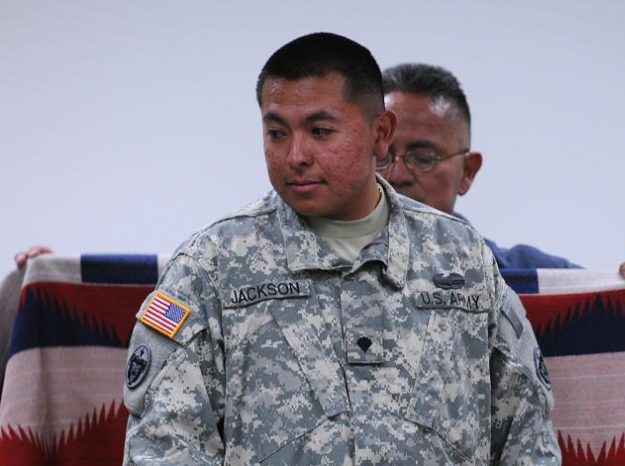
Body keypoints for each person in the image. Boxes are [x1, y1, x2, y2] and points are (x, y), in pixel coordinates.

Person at [121, 33, 560, 464]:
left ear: (380, 133)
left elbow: (528, 440)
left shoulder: (463, 258)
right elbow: (163, 449)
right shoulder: (212, 266)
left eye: (320, 131)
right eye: (276, 133)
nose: (295, 155)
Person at [380, 63, 625, 288]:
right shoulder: (332, 278)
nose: (397, 174)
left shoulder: (533, 284)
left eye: (423, 158)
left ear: (467, 172)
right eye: (379, 156)